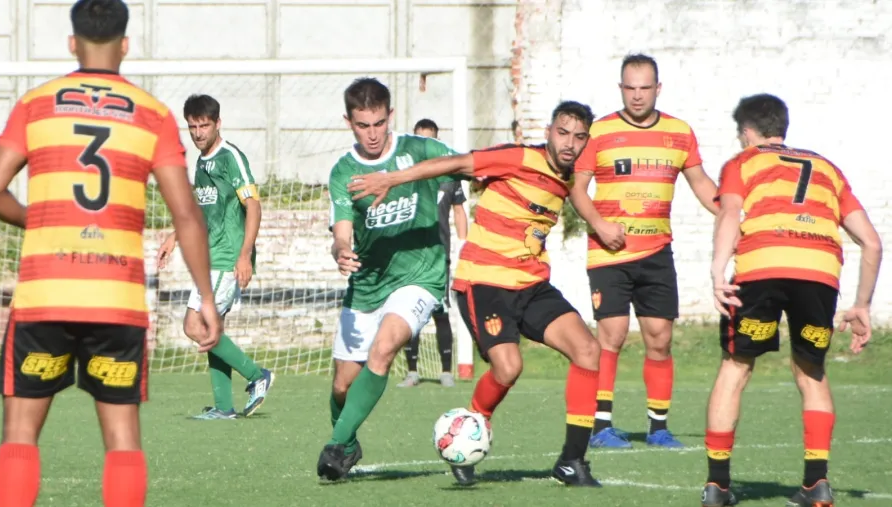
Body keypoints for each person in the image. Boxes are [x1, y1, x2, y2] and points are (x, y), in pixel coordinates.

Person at [0, 0, 221, 505]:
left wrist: (39, 218)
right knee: (122, 441)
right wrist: (205, 298)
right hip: (115, 303)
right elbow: (186, 214)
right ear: (125, 45)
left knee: (19, 437)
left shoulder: (35, 103)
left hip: (44, 297)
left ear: (72, 43)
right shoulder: (154, 115)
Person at [348, 100, 604, 488]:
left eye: (579, 136)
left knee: (588, 350)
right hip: (484, 282)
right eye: (563, 133)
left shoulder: (570, 178)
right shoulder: (516, 157)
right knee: (509, 367)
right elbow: (454, 164)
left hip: (531, 282)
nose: (569, 143)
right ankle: (471, 422)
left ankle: (572, 462)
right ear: (549, 131)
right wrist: (390, 179)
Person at [701, 93, 881, 507]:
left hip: (762, 265)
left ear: (747, 133)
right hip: (819, 274)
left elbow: (730, 213)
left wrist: (717, 269)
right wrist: (862, 305)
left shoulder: (742, 163)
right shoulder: (827, 169)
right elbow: (871, 242)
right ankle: (816, 485)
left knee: (736, 367)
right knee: (811, 372)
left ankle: (718, 487)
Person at [571, 53, 719, 449]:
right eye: (630, 88)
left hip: (656, 251)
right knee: (612, 334)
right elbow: (576, 189)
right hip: (610, 252)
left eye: (645, 87)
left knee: (659, 337)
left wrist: (731, 214)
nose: (637, 96)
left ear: (658, 88)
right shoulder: (599, 132)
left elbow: (702, 183)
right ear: (621, 89)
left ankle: (658, 428)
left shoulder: (679, 132)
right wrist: (600, 225)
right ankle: (601, 425)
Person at [317, 78, 460, 481]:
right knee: (343, 387)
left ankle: (334, 445)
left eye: (379, 123)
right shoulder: (344, 170)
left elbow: (465, 165)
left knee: (384, 348)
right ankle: (349, 440)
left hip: (420, 277)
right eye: (363, 125)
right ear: (349, 122)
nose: (373, 133)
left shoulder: (419, 150)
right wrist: (340, 250)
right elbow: (342, 228)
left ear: (391, 116)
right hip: (367, 286)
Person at [157, 94, 274, 420]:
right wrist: (174, 236)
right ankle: (224, 407)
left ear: (217, 123)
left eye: (204, 126)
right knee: (210, 329)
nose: (197, 133)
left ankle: (257, 375)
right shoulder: (202, 162)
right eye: (192, 127)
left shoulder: (230, 157)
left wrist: (245, 255)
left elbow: (253, 205)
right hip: (210, 259)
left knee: (194, 325)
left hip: (226, 258)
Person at [397, 118, 468, 388]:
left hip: (440, 254)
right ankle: (412, 371)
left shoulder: (449, 175)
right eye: (420, 139)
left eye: (430, 140)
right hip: (411, 253)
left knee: (441, 311)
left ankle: (446, 371)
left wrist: (464, 244)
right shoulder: (405, 175)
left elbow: (459, 210)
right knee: (408, 311)